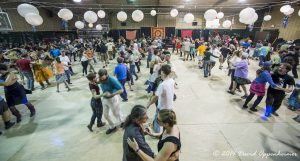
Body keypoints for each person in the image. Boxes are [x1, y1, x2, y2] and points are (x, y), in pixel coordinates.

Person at [147, 64, 175, 133]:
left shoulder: (162, 85)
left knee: (158, 122)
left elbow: (155, 97)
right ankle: (165, 132)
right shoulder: (172, 81)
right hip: (170, 106)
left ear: (162, 72)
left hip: (162, 108)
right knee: (167, 122)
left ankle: (156, 133)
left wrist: (148, 104)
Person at [98, 68, 125, 134]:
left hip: (112, 98)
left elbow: (121, 90)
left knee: (116, 113)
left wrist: (112, 94)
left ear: (106, 74)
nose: (101, 78)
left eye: (102, 77)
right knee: (106, 115)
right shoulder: (101, 79)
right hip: (105, 98)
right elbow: (99, 82)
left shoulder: (112, 80)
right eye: (100, 77)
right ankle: (112, 126)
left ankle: (122, 122)